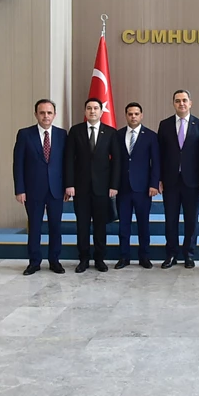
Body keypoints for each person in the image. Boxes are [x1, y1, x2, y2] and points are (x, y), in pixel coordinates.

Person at [64, 98, 121, 273]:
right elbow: (69, 159)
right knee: (82, 225)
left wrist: (114, 185)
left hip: (102, 188)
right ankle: (83, 259)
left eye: (96, 108)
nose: (92, 111)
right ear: (85, 111)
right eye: (89, 108)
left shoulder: (110, 132)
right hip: (80, 188)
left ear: (101, 112)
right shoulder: (75, 131)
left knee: (100, 226)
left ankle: (99, 258)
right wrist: (69, 184)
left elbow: (117, 161)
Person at [12, 99, 67, 275]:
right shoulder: (24, 134)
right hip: (33, 190)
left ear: (54, 115)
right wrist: (20, 189)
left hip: (56, 190)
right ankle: (34, 262)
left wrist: (67, 186)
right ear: (36, 114)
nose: (46, 116)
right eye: (42, 113)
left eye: (49, 113)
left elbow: (66, 163)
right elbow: (18, 164)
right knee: (35, 227)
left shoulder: (62, 134)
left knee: (55, 227)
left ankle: (54, 261)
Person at [157, 89, 199, 268]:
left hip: (192, 182)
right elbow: (159, 155)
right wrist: (158, 179)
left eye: (184, 100)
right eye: (178, 101)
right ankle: (171, 254)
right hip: (170, 181)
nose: (181, 104)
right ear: (173, 103)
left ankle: (189, 254)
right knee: (170, 220)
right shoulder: (164, 125)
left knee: (191, 220)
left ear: (190, 103)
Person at [115, 102, 160, 270]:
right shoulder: (118, 135)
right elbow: (115, 162)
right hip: (123, 188)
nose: (133, 116)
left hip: (143, 188)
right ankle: (124, 257)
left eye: (136, 114)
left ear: (141, 115)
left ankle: (144, 257)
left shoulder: (151, 136)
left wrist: (154, 184)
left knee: (143, 224)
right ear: (126, 116)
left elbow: (156, 162)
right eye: (130, 114)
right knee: (123, 225)